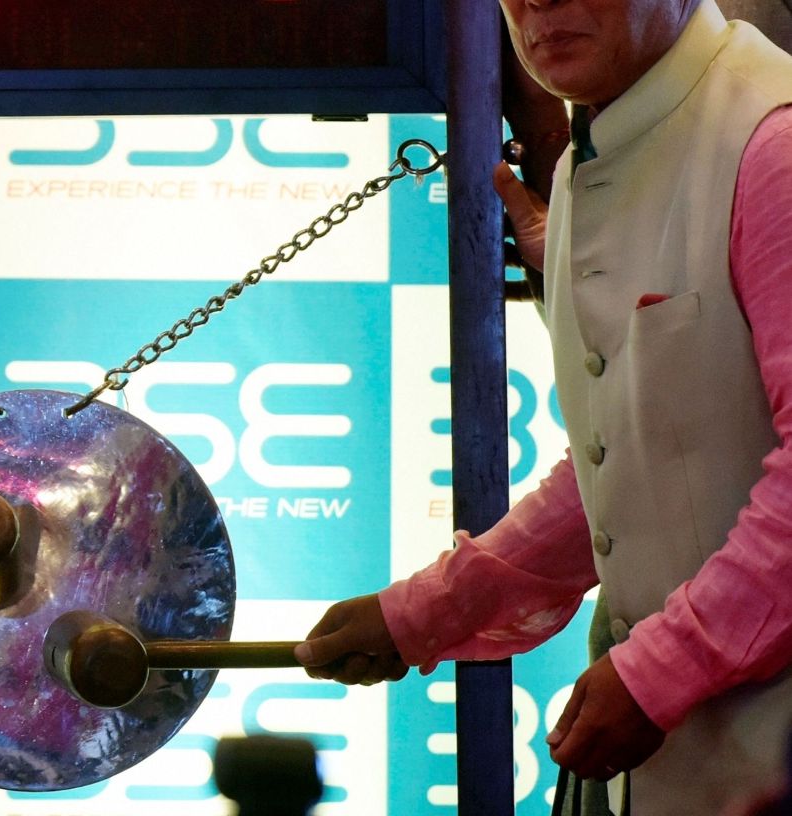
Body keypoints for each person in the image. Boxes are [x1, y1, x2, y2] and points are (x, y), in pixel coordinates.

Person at [295, 0, 792, 813]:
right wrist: (423, 610)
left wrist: (658, 670)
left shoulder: (770, 143)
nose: (536, 2)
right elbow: (623, 454)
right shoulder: (589, 157)